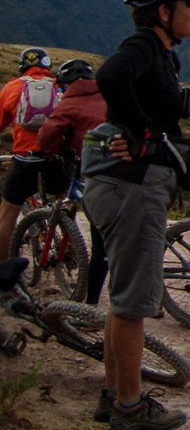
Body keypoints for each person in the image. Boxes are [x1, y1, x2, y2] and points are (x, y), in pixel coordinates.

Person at [84, 0, 190, 430]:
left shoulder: (161, 55)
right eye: (188, 4)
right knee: (134, 300)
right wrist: (140, 133)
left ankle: (114, 393)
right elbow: (111, 77)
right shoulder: (140, 48)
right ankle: (131, 407)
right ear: (162, 10)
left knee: (123, 298)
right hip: (132, 186)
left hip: (126, 183)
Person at [36, 59, 109, 305]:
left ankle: (89, 308)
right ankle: (153, 301)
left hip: (98, 173)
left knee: (101, 243)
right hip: (131, 168)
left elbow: (47, 136)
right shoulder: (109, 94)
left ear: (65, 85)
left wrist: (55, 148)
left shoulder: (69, 102)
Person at [0, 47, 65, 261]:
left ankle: (2, 269)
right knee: (61, 202)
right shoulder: (58, 86)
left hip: (25, 156)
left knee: (8, 212)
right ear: (47, 66)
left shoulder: (12, 88)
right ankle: (69, 244)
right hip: (54, 156)